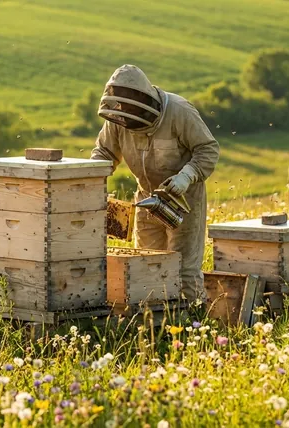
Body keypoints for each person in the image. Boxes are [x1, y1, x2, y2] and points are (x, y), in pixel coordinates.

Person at [91, 64, 220, 302]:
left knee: (183, 269)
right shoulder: (118, 119)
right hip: (146, 200)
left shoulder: (180, 111)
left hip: (184, 200)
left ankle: (194, 317)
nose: (126, 116)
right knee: (146, 266)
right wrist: (92, 182)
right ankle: (153, 318)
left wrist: (187, 176)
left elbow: (208, 149)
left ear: (144, 99)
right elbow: (104, 153)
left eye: (130, 109)